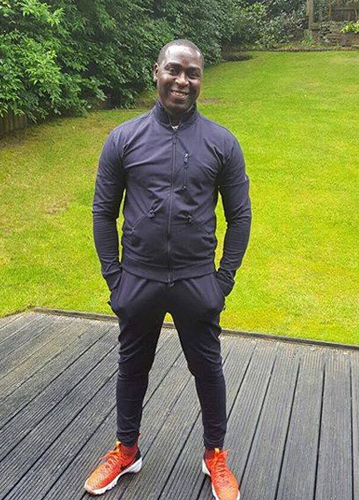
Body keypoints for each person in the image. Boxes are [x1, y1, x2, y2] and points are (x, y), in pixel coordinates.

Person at [86, 39, 251, 500]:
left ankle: (215, 455)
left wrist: (223, 280)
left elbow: (240, 216)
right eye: (174, 70)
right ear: (156, 72)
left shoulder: (222, 143)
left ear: (201, 80)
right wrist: (114, 278)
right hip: (138, 277)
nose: (183, 80)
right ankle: (126, 450)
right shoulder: (124, 139)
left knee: (208, 369)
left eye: (192, 73)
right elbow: (103, 212)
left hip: (197, 278)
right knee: (131, 366)